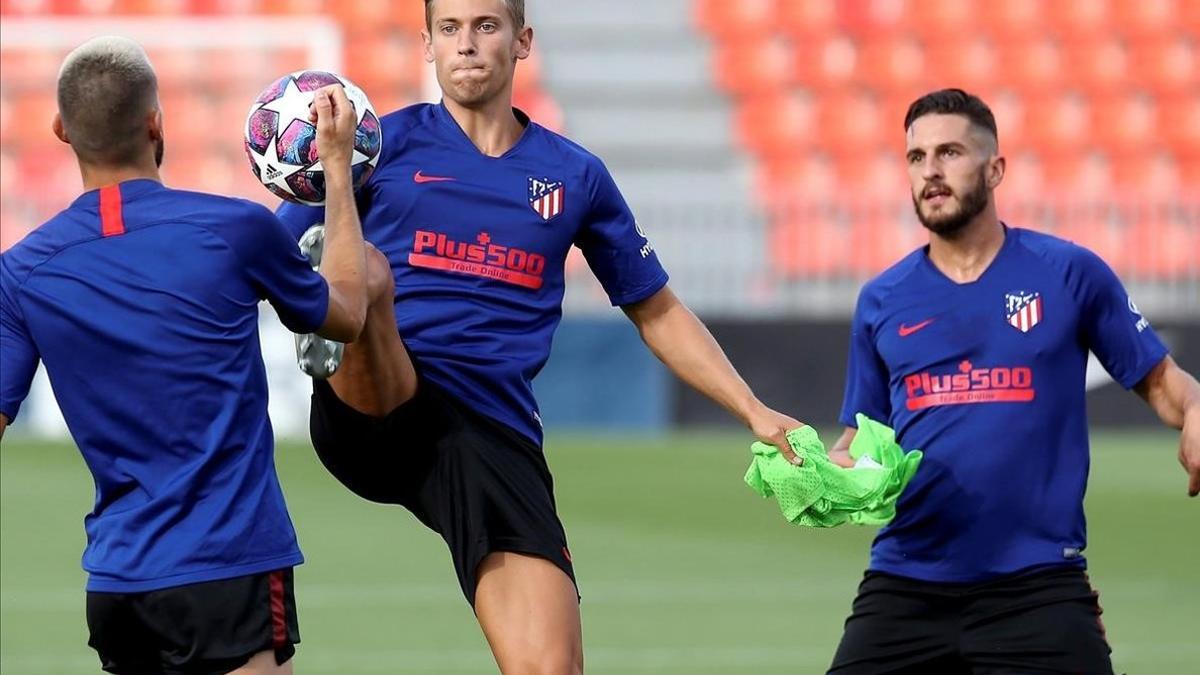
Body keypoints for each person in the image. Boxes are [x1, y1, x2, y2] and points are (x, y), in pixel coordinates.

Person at [275, 0, 807, 672]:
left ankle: (347, 308)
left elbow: (656, 309)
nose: (467, 45)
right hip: (377, 408)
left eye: (486, 27)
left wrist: (754, 411)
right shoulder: (377, 146)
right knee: (369, 275)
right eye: (450, 30)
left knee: (551, 666)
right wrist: (335, 171)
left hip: (487, 432)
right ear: (428, 46)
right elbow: (260, 258)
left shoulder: (574, 175)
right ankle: (339, 325)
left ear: (522, 41)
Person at [0, 36, 374, 674]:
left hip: (117, 582)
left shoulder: (23, 270)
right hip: (228, 564)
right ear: (156, 123)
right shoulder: (234, 229)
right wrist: (337, 173)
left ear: (61, 130)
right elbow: (347, 314)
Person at [826, 88, 1200, 674]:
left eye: (949, 152)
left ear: (995, 168)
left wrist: (1197, 411)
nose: (931, 171)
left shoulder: (1069, 273)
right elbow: (857, 438)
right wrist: (832, 472)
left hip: (1038, 586)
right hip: (905, 583)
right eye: (917, 157)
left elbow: (1163, 383)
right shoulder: (881, 300)